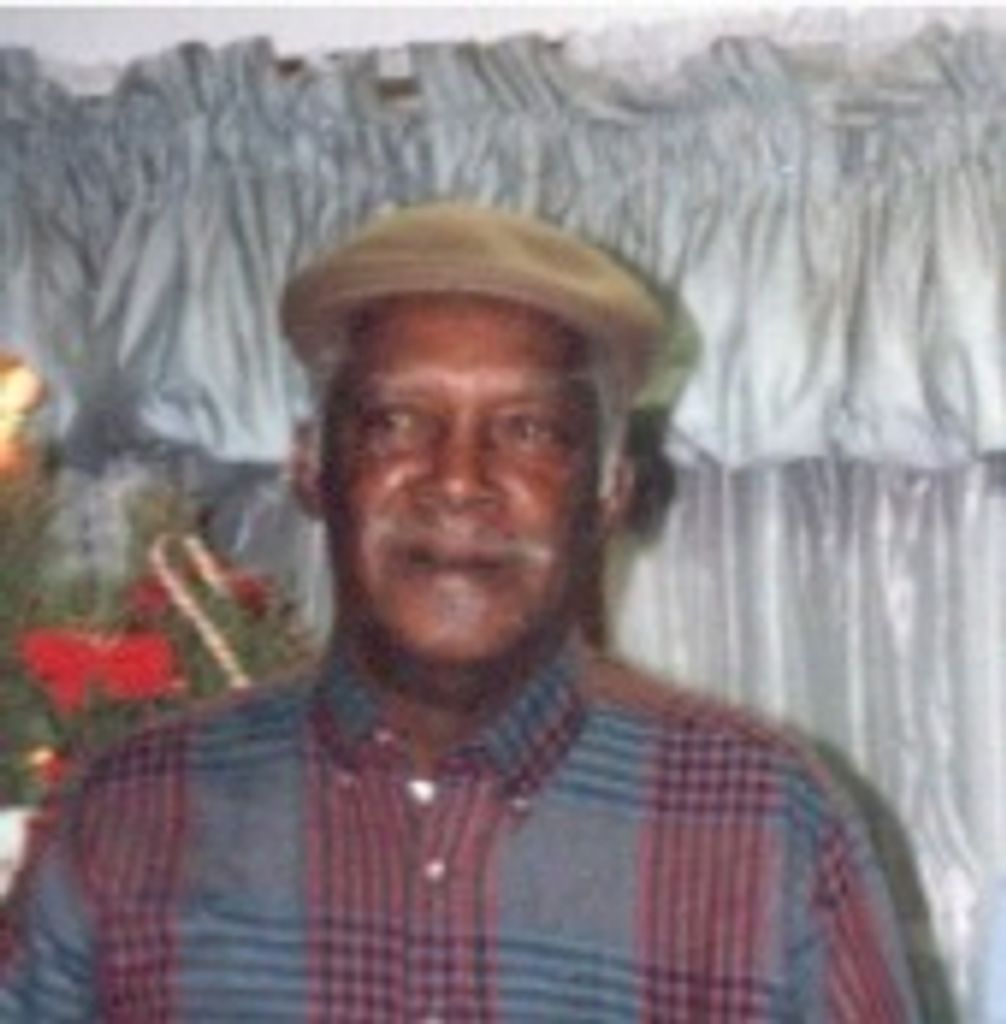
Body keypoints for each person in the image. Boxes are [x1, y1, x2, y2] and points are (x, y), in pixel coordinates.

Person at [0, 202, 919, 1021]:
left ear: (609, 491)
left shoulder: (768, 823)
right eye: (398, 422)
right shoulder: (131, 813)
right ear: (310, 467)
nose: (458, 480)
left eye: (528, 431)